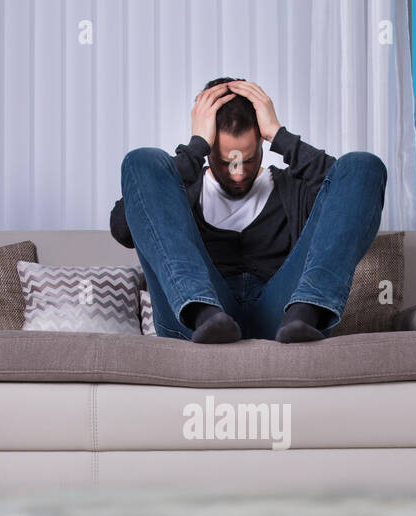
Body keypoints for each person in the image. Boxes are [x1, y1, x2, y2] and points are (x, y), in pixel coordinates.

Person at [109, 77, 387, 343]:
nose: (238, 173)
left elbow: (353, 188)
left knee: (363, 165)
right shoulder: (181, 190)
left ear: (263, 142)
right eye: (226, 160)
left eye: (249, 159)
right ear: (209, 148)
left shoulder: (293, 190)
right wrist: (193, 150)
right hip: (194, 323)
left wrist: (282, 137)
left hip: (284, 319)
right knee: (142, 160)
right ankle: (203, 313)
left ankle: (306, 312)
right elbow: (123, 228)